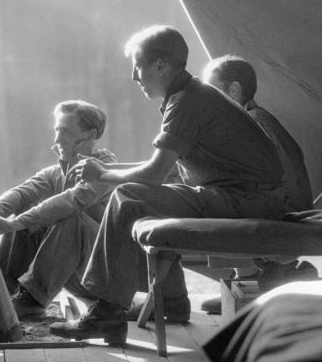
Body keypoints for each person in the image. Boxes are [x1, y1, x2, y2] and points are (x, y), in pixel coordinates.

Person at [50, 25, 285, 345]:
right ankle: (165, 304)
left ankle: (107, 313)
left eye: (137, 65)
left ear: (160, 65)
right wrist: (106, 168)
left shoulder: (188, 101)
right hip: (239, 195)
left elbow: (153, 174)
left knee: (128, 196)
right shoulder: (190, 95)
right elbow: (161, 167)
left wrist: (102, 175)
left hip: (245, 201)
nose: (134, 76)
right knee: (137, 197)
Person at [199, 55, 318, 311]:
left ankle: (258, 275)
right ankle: (256, 276)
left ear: (233, 90)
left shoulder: (255, 123)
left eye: (213, 91)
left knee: (213, 203)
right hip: (278, 205)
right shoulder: (254, 118)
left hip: (283, 213)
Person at [0, 100, 118, 320]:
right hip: (69, 274)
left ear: (91, 135)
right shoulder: (57, 171)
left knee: (70, 218)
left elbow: (72, 201)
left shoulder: (108, 170)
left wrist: (17, 223)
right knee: (28, 207)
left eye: (66, 131)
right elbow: (22, 192)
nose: (57, 139)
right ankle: (1, 289)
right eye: (56, 130)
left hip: (100, 279)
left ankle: (31, 300)